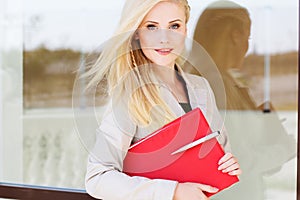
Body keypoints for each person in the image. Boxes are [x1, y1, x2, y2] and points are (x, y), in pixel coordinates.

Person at [84, 0, 241, 199]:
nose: (164, 38)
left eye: (174, 26)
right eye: (152, 27)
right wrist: (173, 192)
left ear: (185, 30)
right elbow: (97, 179)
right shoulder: (129, 93)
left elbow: (219, 153)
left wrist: (227, 165)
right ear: (136, 35)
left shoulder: (201, 87)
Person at [186, 1, 296, 199]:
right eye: (248, 36)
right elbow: (237, 163)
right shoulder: (213, 86)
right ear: (236, 37)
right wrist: (286, 148)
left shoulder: (210, 81)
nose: (247, 46)